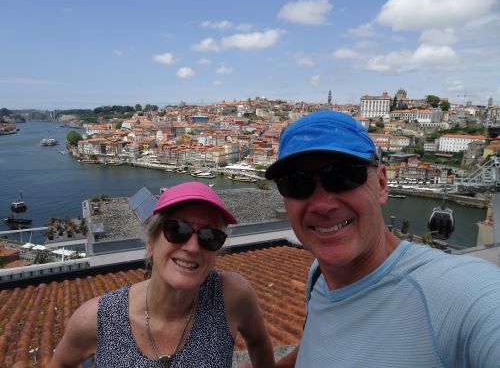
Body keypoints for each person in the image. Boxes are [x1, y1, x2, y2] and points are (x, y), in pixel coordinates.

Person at [263, 110, 500, 367]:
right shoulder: (319, 275)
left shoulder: (459, 296)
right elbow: (324, 340)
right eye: (296, 182)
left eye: (343, 175)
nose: (321, 204)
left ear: (382, 184)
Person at [44, 181, 275, 368]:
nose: (193, 248)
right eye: (177, 230)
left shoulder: (232, 297)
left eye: (209, 237)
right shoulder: (97, 319)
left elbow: (259, 342)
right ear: (151, 243)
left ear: (216, 252)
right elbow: (61, 362)